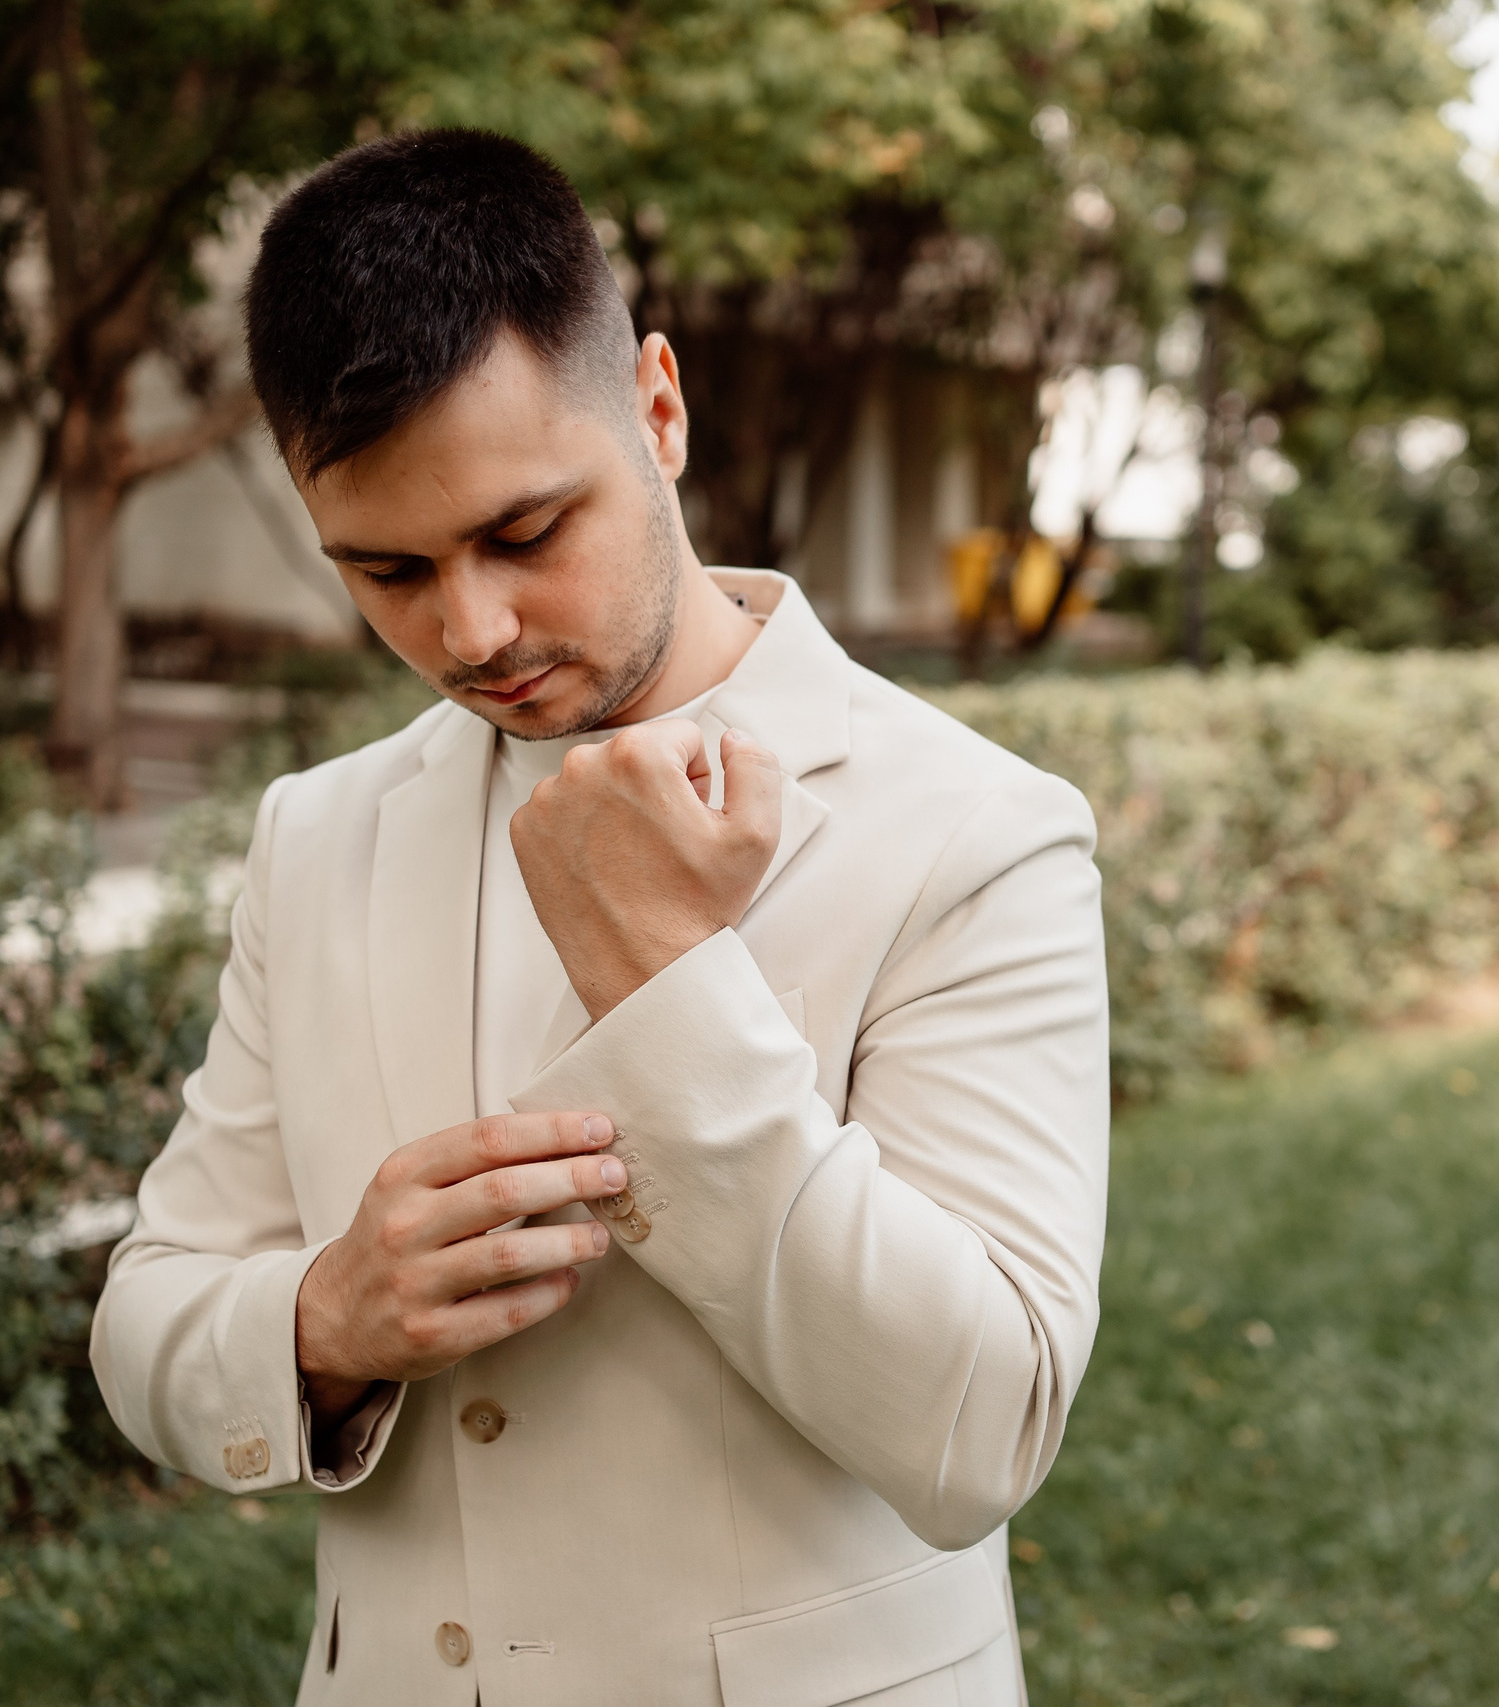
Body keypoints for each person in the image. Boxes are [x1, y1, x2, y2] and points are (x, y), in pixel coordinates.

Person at [90, 129, 1110, 1706]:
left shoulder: (979, 832)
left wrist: (670, 985)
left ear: (658, 404)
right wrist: (323, 1319)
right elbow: (149, 1314)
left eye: (523, 533)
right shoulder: (317, 835)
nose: (470, 629)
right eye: (386, 570)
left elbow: (986, 1429)